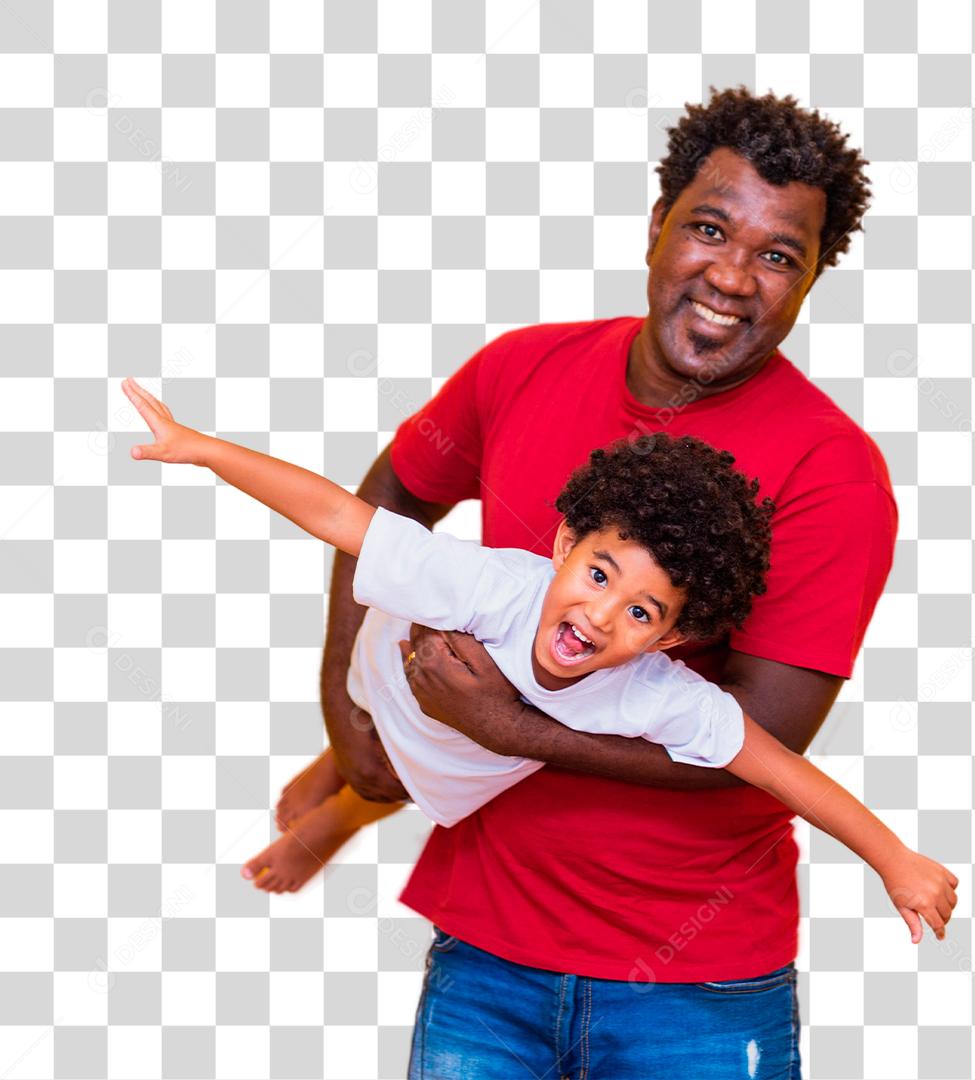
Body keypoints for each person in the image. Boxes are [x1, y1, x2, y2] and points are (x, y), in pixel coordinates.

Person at [212, 84, 910, 1076]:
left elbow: (764, 735)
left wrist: (512, 729)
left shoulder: (830, 473)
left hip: (695, 985)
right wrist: (344, 712)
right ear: (657, 228)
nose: (733, 275)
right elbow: (389, 508)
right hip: (488, 950)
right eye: (709, 228)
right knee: (466, 621)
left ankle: (353, 800)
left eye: (778, 256)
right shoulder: (522, 370)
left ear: (806, 287)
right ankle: (350, 793)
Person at [123, 376, 957, 950]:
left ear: (672, 637)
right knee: (384, 721)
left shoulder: (659, 693)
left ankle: (347, 809)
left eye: (640, 612)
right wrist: (204, 449)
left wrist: (895, 858)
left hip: (462, 762)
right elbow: (341, 515)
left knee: (422, 776)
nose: (598, 617)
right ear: (562, 545)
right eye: (597, 574)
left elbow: (779, 768)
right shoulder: (485, 586)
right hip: (394, 674)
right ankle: (345, 766)